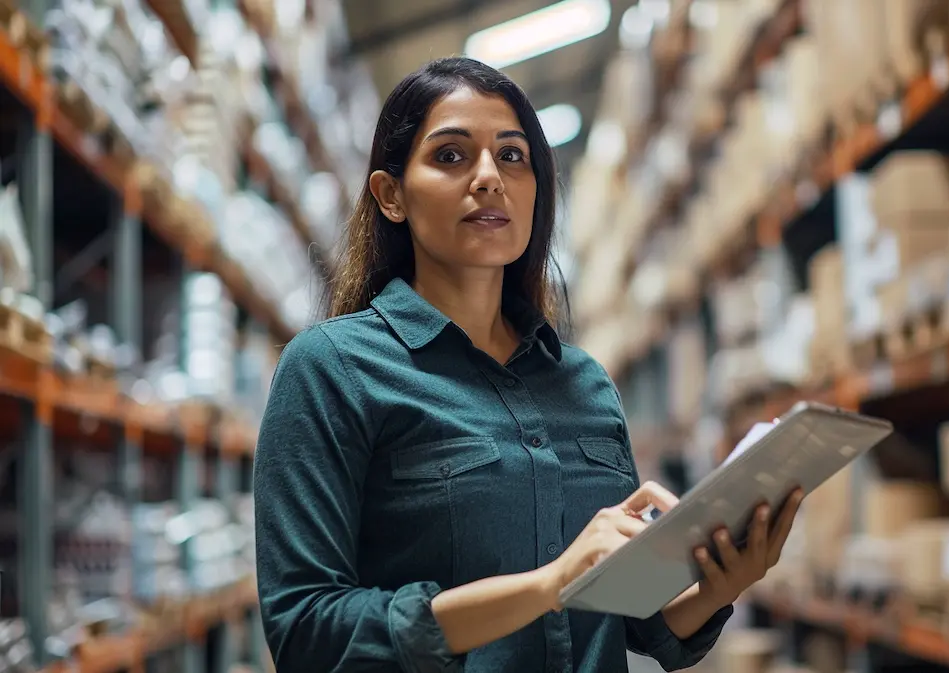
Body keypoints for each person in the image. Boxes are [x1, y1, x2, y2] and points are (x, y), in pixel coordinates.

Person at [252, 56, 806, 673]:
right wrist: (549, 585)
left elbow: (632, 619)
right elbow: (305, 630)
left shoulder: (585, 383)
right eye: (451, 155)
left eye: (512, 156)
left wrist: (722, 583)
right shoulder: (332, 370)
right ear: (392, 196)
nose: (489, 178)